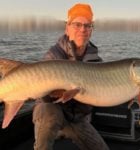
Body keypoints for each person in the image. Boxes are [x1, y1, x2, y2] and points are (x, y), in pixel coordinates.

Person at [33, 3, 109, 150]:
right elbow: (44, 97)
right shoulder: (54, 55)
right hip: (52, 111)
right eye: (77, 24)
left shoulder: (96, 62)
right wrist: (60, 92)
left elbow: (95, 98)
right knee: (49, 112)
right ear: (67, 28)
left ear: (91, 30)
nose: (83, 29)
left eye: (88, 25)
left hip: (76, 118)